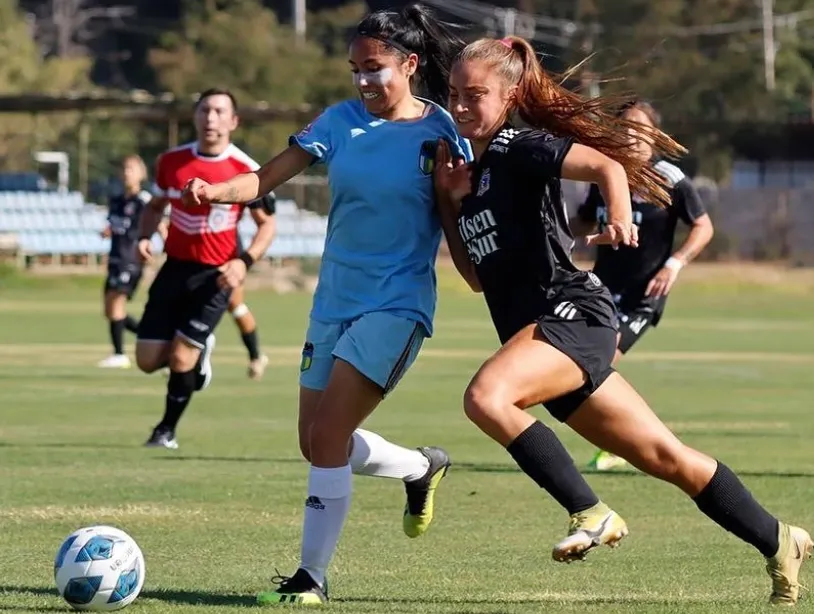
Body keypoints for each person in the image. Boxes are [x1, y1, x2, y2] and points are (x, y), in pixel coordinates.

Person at [435, 35, 811, 605]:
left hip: (571, 317)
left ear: (510, 96)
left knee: (486, 397)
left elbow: (606, 164)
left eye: (475, 94)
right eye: (454, 94)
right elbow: (475, 277)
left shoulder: (518, 144)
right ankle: (780, 539)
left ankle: (591, 510)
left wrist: (617, 216)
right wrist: (449, 200)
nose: (460, 106)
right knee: (669, 459)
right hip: (544, 338)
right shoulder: (478, 173)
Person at [181, 4, 469, 605]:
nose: (363, 81)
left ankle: (310, 578)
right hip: (335, 299)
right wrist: (215, 191)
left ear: (410, 64)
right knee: (315, 441)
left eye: (375, 68)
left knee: (332, 433)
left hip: (397, 303)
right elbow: (263, 178)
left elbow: (468, 206)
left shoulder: (443, 131)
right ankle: (420, 468)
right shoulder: (339, 121)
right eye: (355, 70)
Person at [572, 100, 715, 471]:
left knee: (599, 364)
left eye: (640, 127)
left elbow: (703, 226)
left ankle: (629, 443)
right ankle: (622, 441)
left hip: (643, 295)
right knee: (582, 367)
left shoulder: (669, 178)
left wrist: (674, 264)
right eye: (625, 127)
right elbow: (583, 223)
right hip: (600, 291)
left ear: (656, 134)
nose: (632, 135)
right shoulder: (607, 173)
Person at [135, 88, 277, 450]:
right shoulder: (171, 162)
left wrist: (243, 263)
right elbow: (154, 206)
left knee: (182, 355)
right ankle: (199, 355)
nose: (211, 118)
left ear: (233, 121)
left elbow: (267, 225)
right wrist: (145, 236)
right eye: (204, 110)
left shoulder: (247, 170)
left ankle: (165, 430)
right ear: (195, 117)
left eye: (219, 111)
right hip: (174, 269)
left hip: (216, 275)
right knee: (147, 361)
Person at [97, 155, 153, 369]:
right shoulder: (117, 201)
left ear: (141, 173)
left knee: (116, 303)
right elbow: (116, 225)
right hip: (115, 258)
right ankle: (153, 338)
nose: (127, 172)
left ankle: (119, 354)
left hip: (131, 259)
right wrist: (108, 231)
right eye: (125, 168)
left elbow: (158, 223)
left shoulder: (144, 201)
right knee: (110, 310)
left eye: (132, 168)